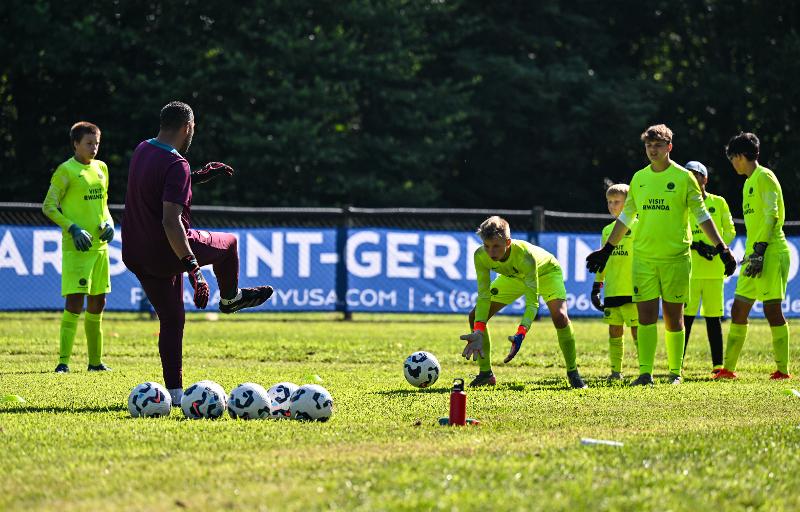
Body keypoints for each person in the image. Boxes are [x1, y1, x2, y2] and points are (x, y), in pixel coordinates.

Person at [122, 101, 274, 404]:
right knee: (229, 243)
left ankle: (174, 393)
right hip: (167, 249)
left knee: (172, 319)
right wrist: (194, 268)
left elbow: (158, 183)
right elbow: (170, 221)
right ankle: (230, 299)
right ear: (187, 127)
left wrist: (196, 176)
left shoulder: (143, 149)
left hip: (135, 253)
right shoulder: (176, 163)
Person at [586, 124, 737, 386]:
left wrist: (722, 248)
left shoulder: (684, 178)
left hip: (676, 258)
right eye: (649, 146)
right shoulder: (639, 178)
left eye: (658, 145)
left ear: (669, 147)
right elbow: (626, 217)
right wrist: (607, 249)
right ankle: (645, 374)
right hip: (644, 259)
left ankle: (675, 373)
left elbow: (702, 216)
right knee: (645, 317)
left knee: (673, 318)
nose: (653, 150)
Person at [460, 216, 587, 389]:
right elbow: (483, 296)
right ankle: (485, 374)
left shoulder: (525, 256)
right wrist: (479, 330)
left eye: (496, 246)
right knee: (475, 316)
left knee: (560, 317)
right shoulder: (480, 255)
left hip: (546, 272)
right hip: (512, 277)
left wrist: (521, 332)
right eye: (487, 246)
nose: (491, 252)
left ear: (508, 242)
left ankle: (573, 373)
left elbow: (532, 304)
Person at [714, 132, 791, 380]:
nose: (732, 164)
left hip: (771, 252)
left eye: (732, 158)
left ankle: (783, 370)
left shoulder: (764, 177)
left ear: (739, 156)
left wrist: (760, 250)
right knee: (738, 309)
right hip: (754, 255)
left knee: (772, 310)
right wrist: (751, 254)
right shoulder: (748, 183)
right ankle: (728, 369)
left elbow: (772, 215)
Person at [42, 121, 114, 373]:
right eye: (88, 143)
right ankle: (63, 362)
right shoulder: (66, 171)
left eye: (97, 143)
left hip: (100, 249)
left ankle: (95, 363)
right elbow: (48, 206)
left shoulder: (101, 168)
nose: (94, 148)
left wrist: (109, 223)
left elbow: (104, 205)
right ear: (75, 144)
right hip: (77, 249)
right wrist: (72, 228)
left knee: (99, 303)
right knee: (74, 302)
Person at [682, 161, 735, 374]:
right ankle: (677, 364)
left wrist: (716, 248)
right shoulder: (682, 204)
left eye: (696, 175)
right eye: (688, 175)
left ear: (705, 178)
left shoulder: (718, 202)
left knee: (714, 318)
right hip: (690, 271)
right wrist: (695, 245)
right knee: (686, 319)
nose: (692, 178)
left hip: (713, 272)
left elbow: (730, 230)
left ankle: (717, 365)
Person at [591, 183, 638, 380]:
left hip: (635, 290)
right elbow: (603, 260)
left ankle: (645, 371)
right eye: (609, 202)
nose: (612, 206)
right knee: (614, 331)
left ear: (628, 203)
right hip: (613, 289)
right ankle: (616, 372)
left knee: (638, 331)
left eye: (617, 202)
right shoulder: (607, 230)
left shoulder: (639, 225)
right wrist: (597, 285)